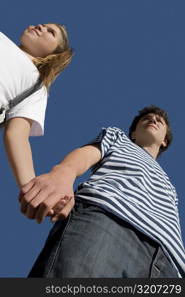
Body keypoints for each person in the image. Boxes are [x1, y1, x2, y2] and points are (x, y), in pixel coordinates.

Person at [20, 105, 185, 278]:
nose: (153, 120)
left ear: (164, 140)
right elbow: (85, 155)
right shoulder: (118, 137)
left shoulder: (170, 186)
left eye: (159, 121)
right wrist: (63, 173)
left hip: (169, 262)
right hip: (109, 222)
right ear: (134, 134)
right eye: (147, 118)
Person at [0, 23, 73, 194]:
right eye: (43, 25)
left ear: (56, 53)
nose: (41, 27)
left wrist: (33, 190)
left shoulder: (36, 86)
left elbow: (17, 134)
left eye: (51, 32)